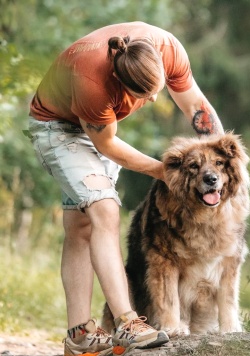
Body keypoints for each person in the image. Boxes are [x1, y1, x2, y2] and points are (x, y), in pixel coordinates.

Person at [28, 21, 224, 356]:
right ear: (119, 79)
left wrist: (219, 160)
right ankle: (128, 322)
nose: (153, 99)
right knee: (105, 210)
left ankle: (79, 337)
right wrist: (167, 172)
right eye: (143, 95)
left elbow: (196, 107)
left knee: (81, 226)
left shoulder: (167, 48)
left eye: (157, 89)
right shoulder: (92, 81)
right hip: (58, 126)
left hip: (99, 128)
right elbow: (108, 145)